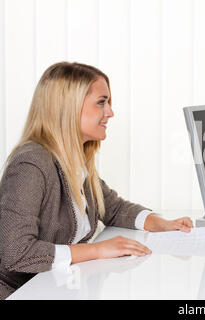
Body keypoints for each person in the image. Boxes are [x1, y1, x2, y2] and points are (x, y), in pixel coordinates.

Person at [0, 62, 193, 299]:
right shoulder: (31, 164)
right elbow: (16, 252)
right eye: (101, 102)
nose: (110, 112)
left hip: (54, 288)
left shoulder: (74, 160)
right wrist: (97, 250)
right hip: (19, 292)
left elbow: (113, 208)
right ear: (68, 106)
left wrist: (160, 223)